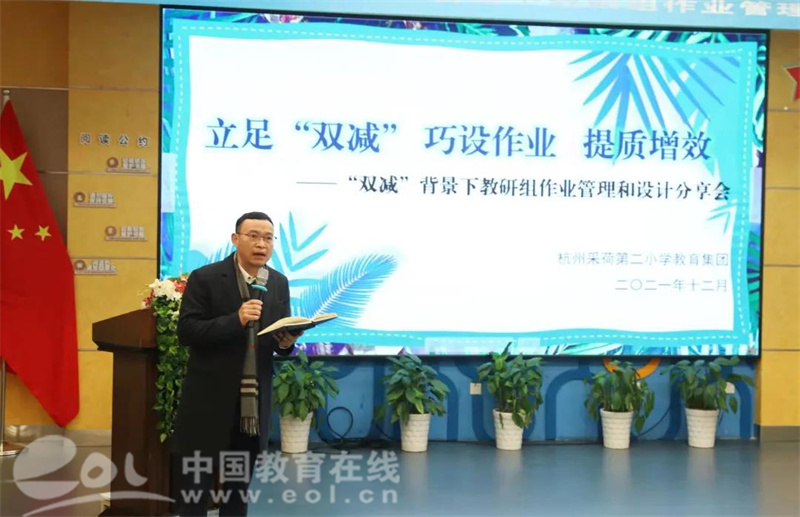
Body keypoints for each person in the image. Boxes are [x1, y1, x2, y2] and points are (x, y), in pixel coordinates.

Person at [173, 211, 301, 517]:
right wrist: (236, 320)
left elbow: (276, 338)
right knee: (195, 490)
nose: (261, 244)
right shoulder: (205, 278)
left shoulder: (278, 282)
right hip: (209, 402)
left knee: (238, 490)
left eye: (268, 238)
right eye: (253, 236)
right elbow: (187, 332)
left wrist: (286, 342)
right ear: (235, 239)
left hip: (251, 407)